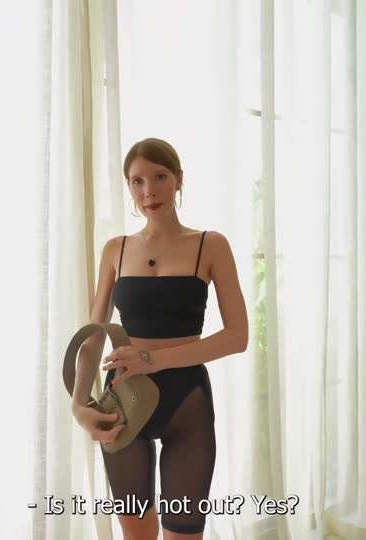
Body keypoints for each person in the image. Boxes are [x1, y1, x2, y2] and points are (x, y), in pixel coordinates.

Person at [71, 137, 248, 539]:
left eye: (160, 177)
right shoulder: (115, 250)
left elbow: (237, 337)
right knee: (137, 535)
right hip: (123, 401)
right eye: (137, 181)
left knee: (183, 534)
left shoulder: (210, 245)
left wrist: (151, 360)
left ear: (179, 179)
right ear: (129, 186)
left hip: (187, 403)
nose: (148, 191)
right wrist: (79, 405)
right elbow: (93, 337)